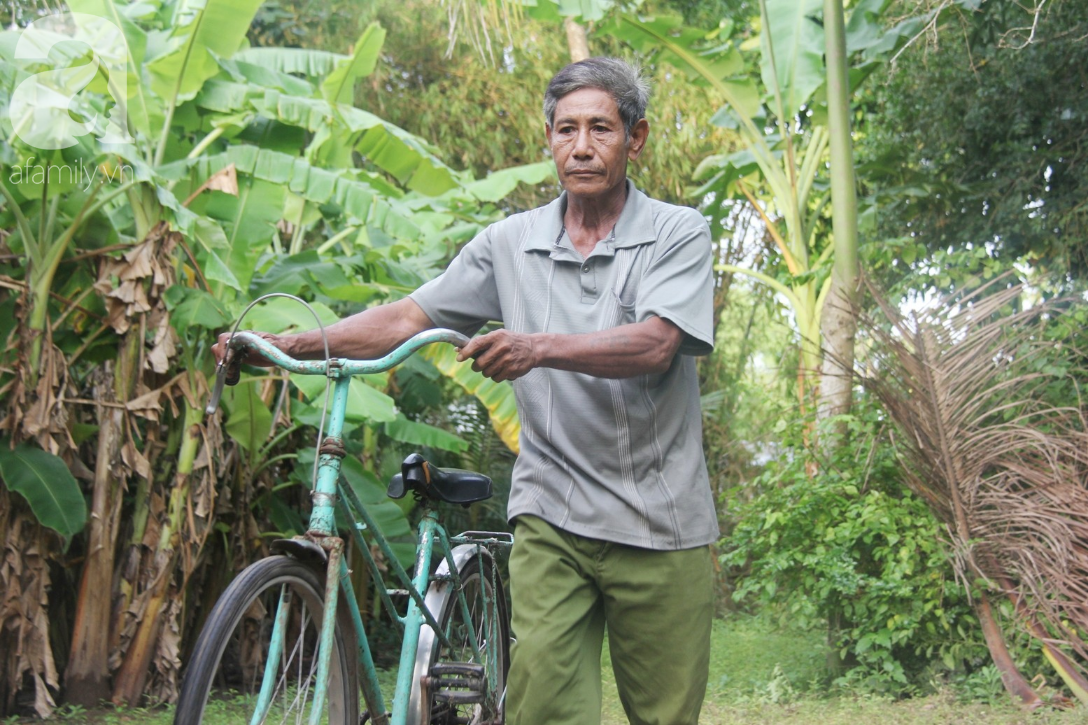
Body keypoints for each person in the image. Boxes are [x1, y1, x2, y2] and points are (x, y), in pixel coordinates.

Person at [214, 56, 718, 725]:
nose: (582, 145)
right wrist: (287, 345)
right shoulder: (509, 243)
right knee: (541, 707)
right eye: (566, 129)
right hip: (553, 511)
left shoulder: (676, 233)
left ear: (637, 137)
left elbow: (657, 343)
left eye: (601, 128)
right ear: (548, 140)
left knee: (664, 715)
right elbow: (405, 318)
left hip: (661, 521)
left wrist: (536, 346)